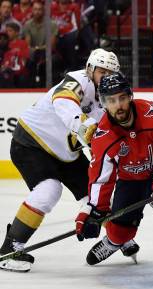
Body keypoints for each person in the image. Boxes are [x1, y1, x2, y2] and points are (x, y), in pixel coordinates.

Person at [0, 49, 120, 272]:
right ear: (91, 70)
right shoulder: (78, 79)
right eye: (103, 72)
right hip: (31, 142)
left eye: (111, 73)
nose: (107, 77)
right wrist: (81, 125)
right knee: (49, 190)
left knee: (96, 193)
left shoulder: (108, 98)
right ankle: (9, 248)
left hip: (67, 153)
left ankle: (118, 236)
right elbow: (63, 101)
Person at [75, 73, 153, 266]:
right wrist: (93, 211)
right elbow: (101, 178)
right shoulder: (103, 137)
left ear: (130, 96)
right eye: (111, 101)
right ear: (103, 104)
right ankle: (113, 242)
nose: (118, 105)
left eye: (122, 98)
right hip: (130, 180)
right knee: (119, 232)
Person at [0, 21, 29, 87]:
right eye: (6, 31)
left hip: (17, 71)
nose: (7, 33)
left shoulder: (22, 43)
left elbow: (24, 60)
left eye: (10, 31)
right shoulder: (4, 44)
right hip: (4, 70)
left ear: (17, 32)